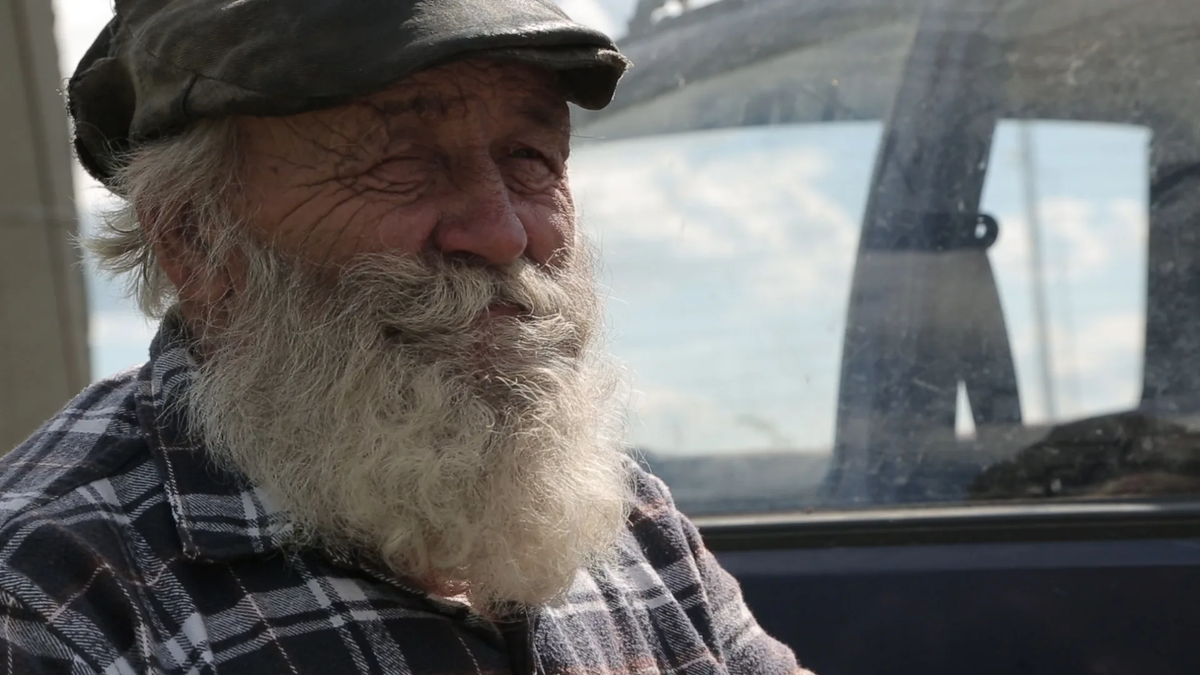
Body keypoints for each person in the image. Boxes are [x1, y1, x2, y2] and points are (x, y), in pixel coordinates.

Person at [0, 0, 812, 673]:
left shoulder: (624, 518)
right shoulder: (52, 596)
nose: (501, 232)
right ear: (196, 239)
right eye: (399, 164)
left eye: (529, 157)